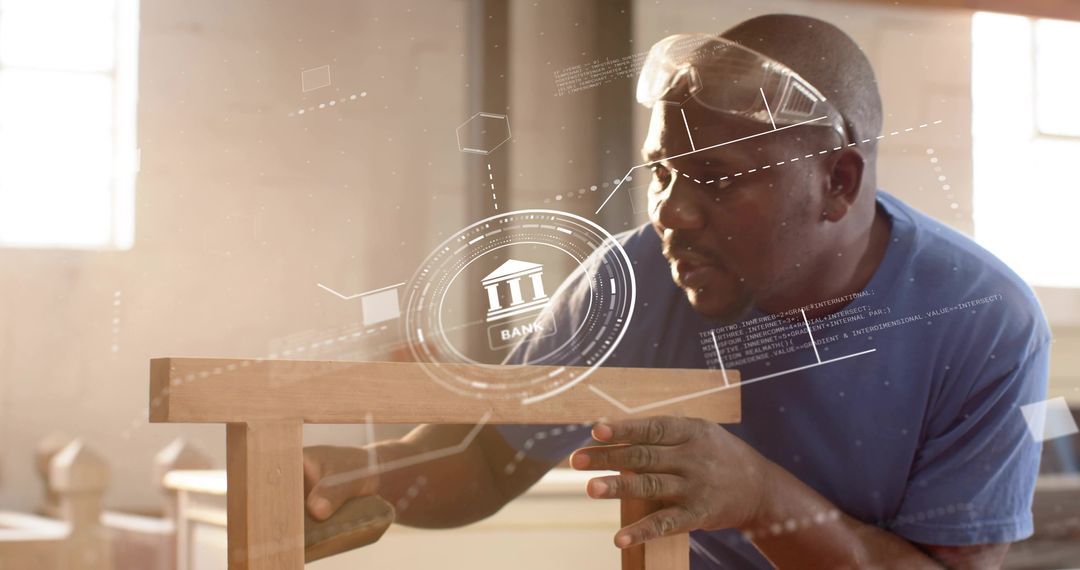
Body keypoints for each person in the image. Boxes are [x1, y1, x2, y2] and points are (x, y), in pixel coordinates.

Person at [303, 14, 1050, 569]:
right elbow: (485, 460)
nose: (671, 213)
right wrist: (359, 476)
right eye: (662, 172)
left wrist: (758, 496)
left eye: (716, 180)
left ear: (838, 181)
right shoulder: (633, 279)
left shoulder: (985, 323)